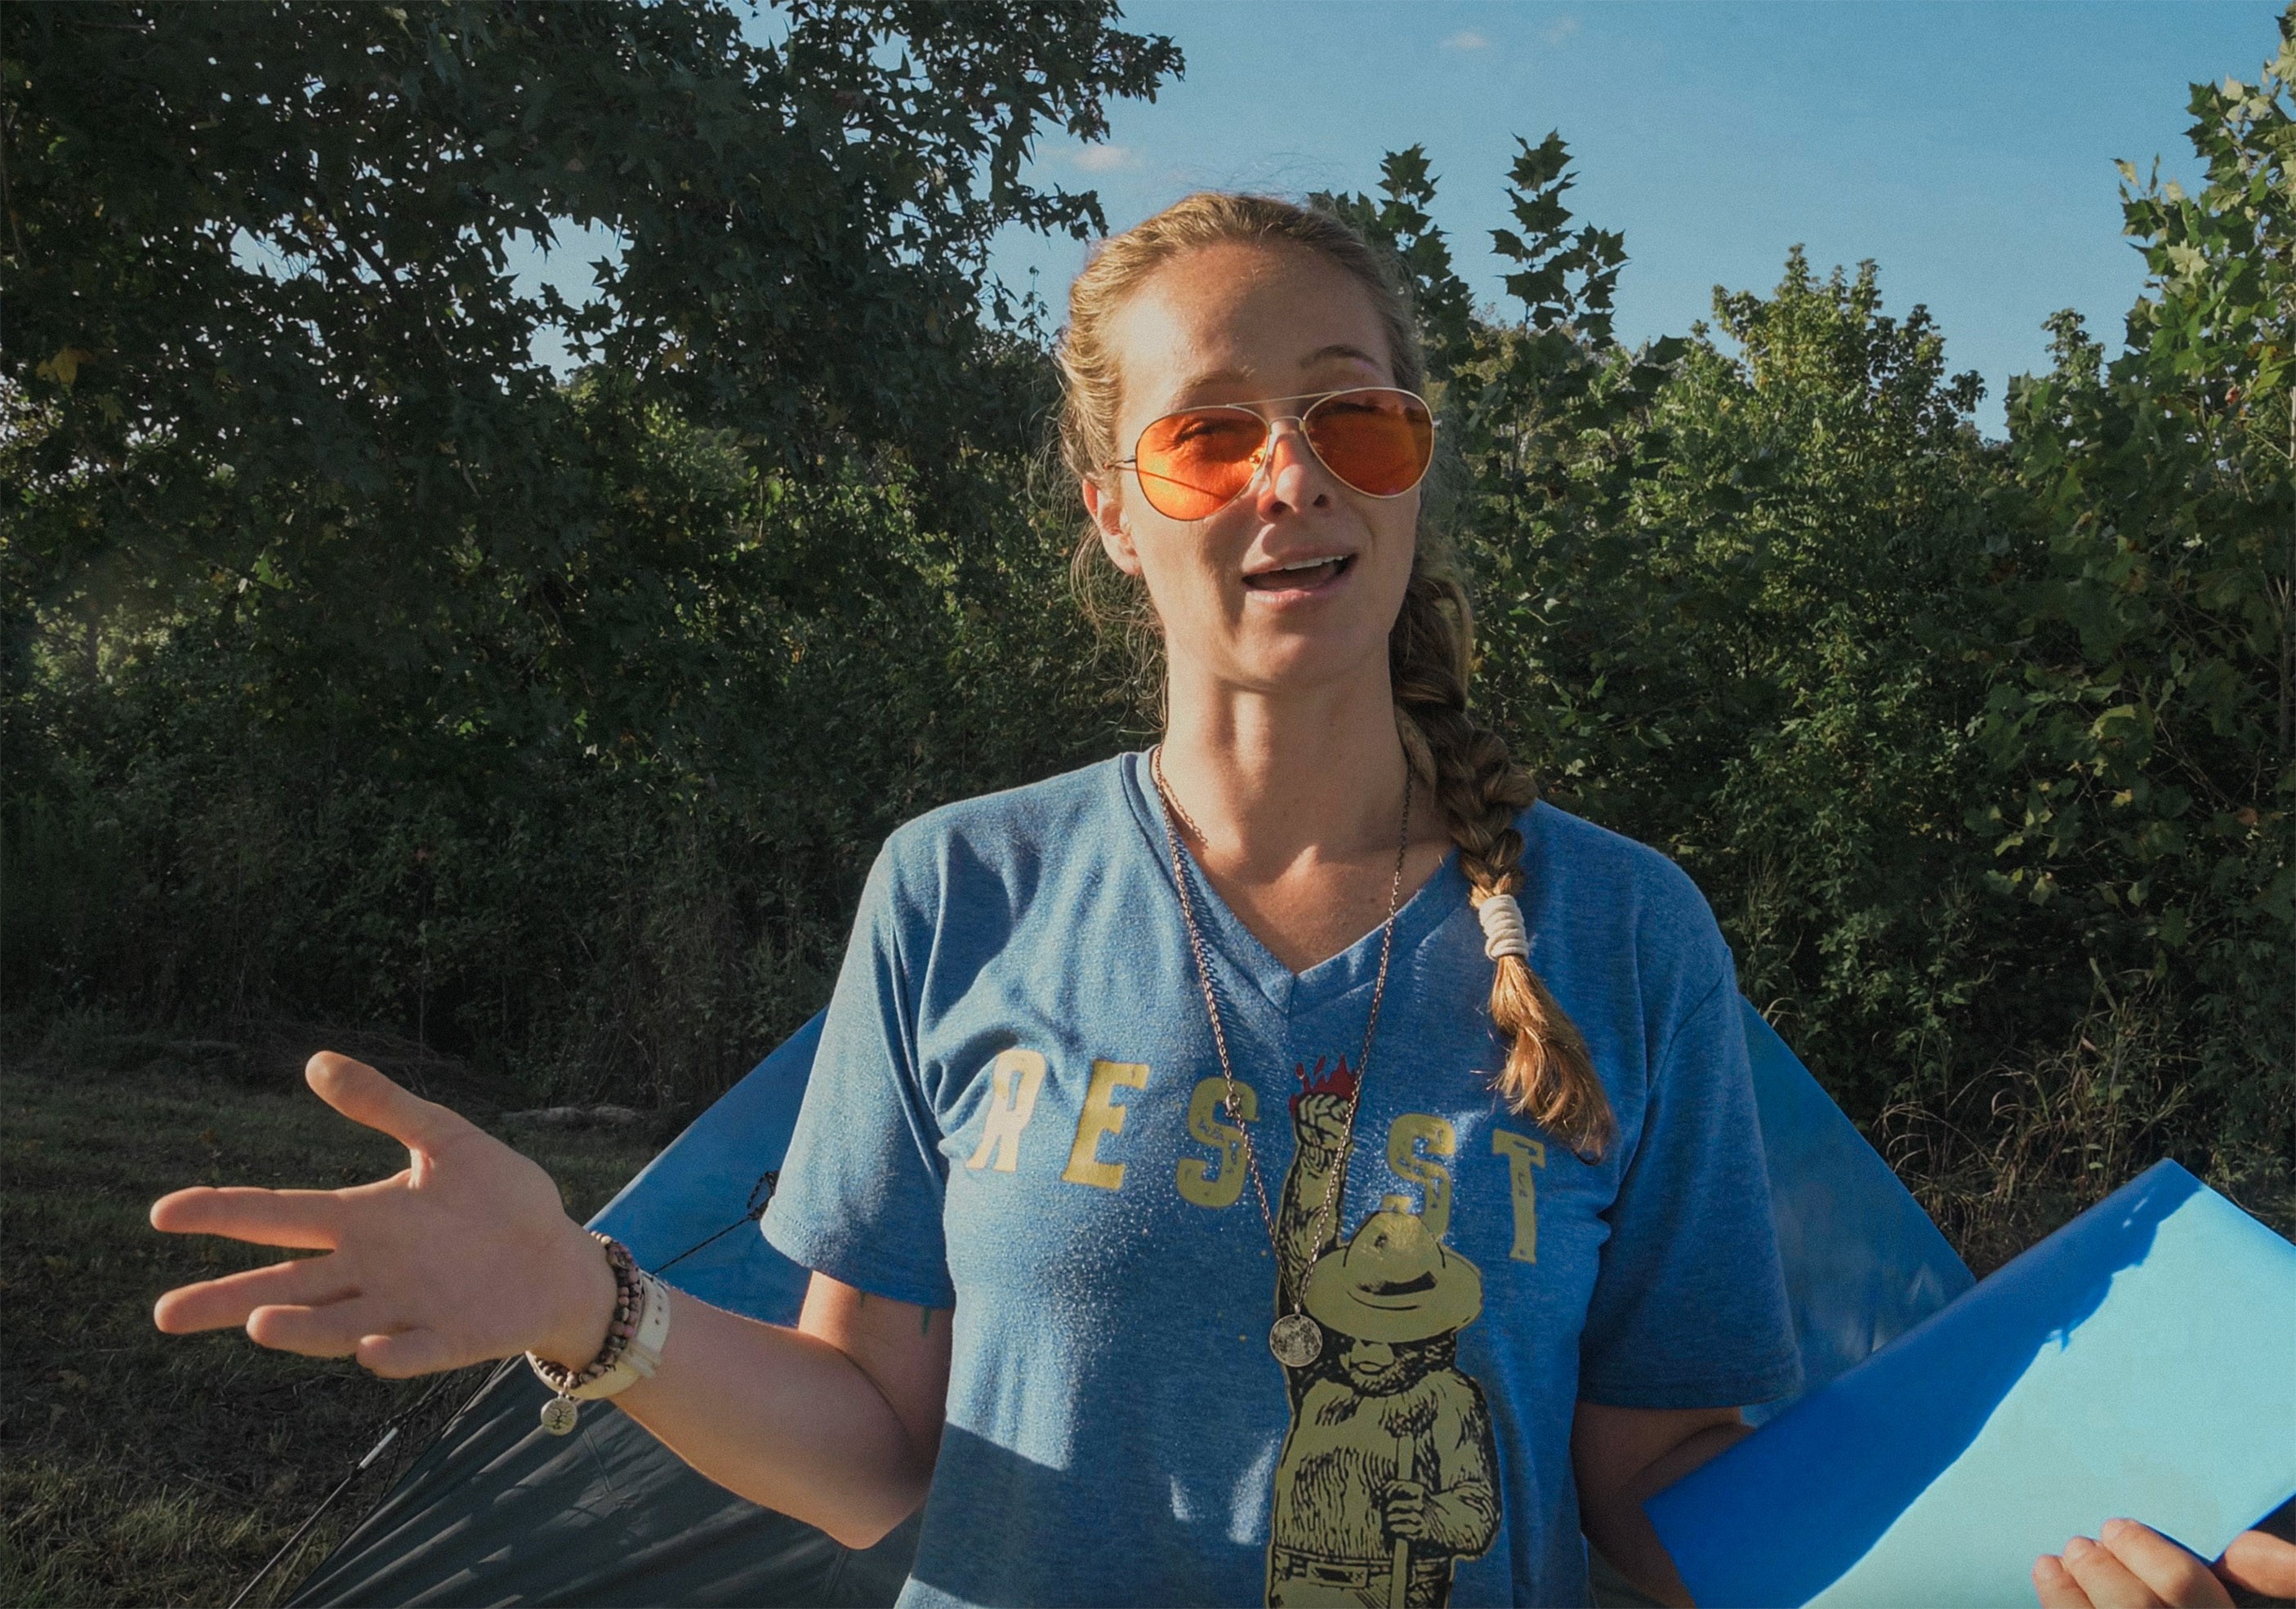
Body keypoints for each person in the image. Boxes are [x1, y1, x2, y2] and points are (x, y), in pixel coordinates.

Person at [150, 194, 2296, 1609]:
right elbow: (877, 1449)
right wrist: (578, 1301)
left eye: (1353, 419)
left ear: (1415, 468)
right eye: (1210, 437)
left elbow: (1657, 1507)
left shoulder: (1625, 937)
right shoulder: (962, 890)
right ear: (1114, 510)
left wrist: (2054, 1554)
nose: (1292, 476)